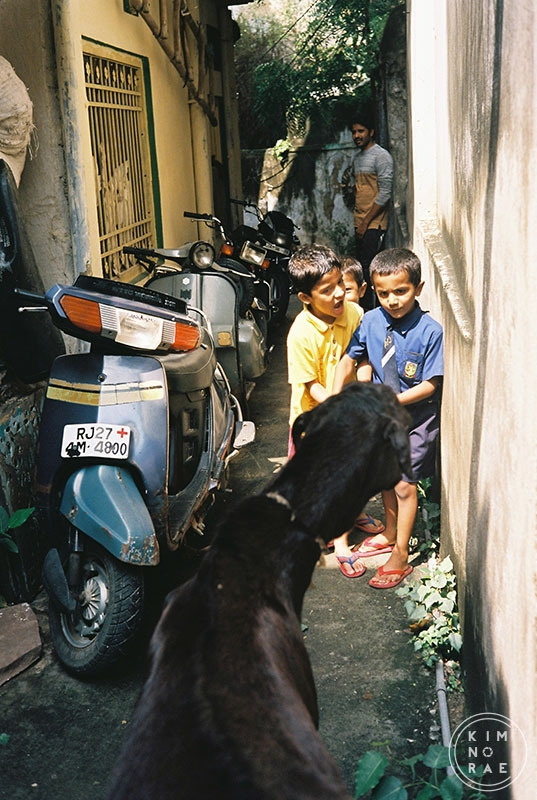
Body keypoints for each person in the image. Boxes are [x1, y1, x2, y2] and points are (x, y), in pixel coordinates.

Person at [332, 248, 443, 589]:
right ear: (375, 291)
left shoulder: (431, 331)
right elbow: (357, 358)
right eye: (383, 294)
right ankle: (390, 531)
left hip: (415, 419)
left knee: (404, 485)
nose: (392, 300)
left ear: (418, 288)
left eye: (401, 291)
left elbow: (431, 384)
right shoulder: (370, 321)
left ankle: (401, 554)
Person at [286, 244, 385, 578]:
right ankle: (340, 543)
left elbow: (364, 355)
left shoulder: (354, 314)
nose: (339, 293)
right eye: (327, 290)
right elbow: (309, 384)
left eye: (340, 283)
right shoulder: (300, 334)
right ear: (305, 297)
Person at [345, 112, 394, 311]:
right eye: (354, 132)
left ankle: (373, 314)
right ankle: (363, 314)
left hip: (374, 224)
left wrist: (365, 222)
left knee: (372, 272)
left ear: (371, 132)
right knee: (362, 271)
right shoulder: (357, 159)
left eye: (361, 131)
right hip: (360, 223)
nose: (357, 135)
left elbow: (385, 193)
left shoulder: (381, 156)